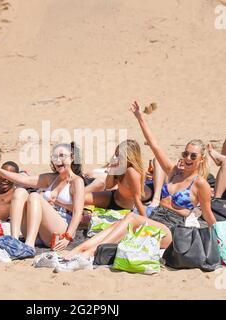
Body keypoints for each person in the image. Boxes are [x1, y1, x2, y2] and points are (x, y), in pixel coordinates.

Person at [48, 101, 217, 272]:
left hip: (171, 230)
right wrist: (140, 118)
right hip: (155, 218)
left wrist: (219, 235)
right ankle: (76, 251)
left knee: (130, 218)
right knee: (119, 223)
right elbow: (155, 145)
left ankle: (88, 254)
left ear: (201, 159)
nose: (187, 158)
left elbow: (208, 214)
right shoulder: (174, 172)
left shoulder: (200, 184)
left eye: (193, 156)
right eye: (185, 153)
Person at [0, 142, 85, 252]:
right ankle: (13, 241)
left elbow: (78, 212)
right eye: (54, 156)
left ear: (72, 158)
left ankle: (29, 246)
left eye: (62, 156)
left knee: (34, 196)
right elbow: (23, 179)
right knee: (20, 192)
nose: (57, 160)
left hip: (59, 232)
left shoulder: (77, 181)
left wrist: (68, 237)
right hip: (38, 232)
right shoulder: (51, 178)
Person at [83, 140, 164, 217]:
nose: (116, 157)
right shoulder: (120, 167)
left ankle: (156, 197)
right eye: (116, 154)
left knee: (157, 160)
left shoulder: (131, 171)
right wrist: (112, 168)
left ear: (129, 156)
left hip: (125, 204)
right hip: (115, 197)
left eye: (119, 155)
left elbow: (137, 199)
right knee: (81, 199)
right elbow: (108, 186)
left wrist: (145, 220)